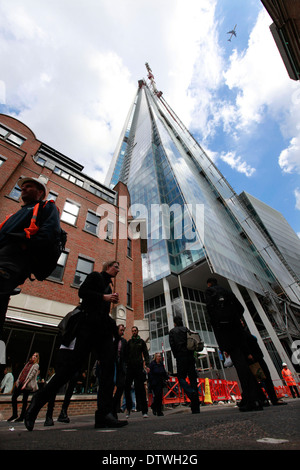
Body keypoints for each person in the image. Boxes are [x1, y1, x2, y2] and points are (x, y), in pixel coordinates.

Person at [24, 261, 128, 431]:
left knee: (108, 369)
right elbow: (83, 293)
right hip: (87, 331)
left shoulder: (109, 286)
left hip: (101, 333)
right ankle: (36, 403)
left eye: (118, 267)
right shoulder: (95, 276)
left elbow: (103, 313)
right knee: (68, 371)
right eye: (116, 266)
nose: (118, 269)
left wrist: (114, 330)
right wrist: (103, 297)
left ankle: (104, 415)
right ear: (108, 267)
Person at [0, 176, 61, 338]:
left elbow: (50, 233)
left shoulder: (46, 207)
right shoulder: (15, 214)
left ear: (40, 192)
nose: (23, 189)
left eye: (28, 186)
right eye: (22, 187)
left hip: (12, 263)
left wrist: (24, 243)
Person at [205, 278, 263, 412]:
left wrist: (222, 340)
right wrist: (235, 320)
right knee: (246, 365)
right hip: (238, 331)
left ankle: (251, 399)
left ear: (209, 284)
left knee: (240, 365)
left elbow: (211, 313)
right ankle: (256, 398)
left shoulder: (210, 291)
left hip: (227, 333)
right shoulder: (227, 291)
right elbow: (240, 308)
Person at [169, 316, 200, 414]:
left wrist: (176, 355)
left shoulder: (172, 331)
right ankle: (196, 408)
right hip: (190, 356)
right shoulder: (186, 329)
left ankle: (191, 392)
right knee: (193, 378)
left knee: (181, 378)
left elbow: (172, 345)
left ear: (175, 323)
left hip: (180, 357)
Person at [124, 326, 150, 418]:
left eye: (135, 331)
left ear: (137, 331)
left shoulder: (141, 342)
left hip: (138, 367)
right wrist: (126, 365)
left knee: (141, 389)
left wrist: (147, 364)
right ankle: (128, 409)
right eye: (132, 331)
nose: (134, 332)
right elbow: (126, 354)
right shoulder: (129, 342)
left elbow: (146, 353)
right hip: (130, 367)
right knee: (127, 388)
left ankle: (144, 410)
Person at [7, 352, 39, 422]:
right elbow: (22, 372)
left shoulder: (36, 365)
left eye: (36, 356)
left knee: (24, 400)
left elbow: (31, 375)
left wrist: (25, 384)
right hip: (21, 382)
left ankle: (22, 416)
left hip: (27, 384)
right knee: (14, 397)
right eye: (33, 355)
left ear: (37, 358)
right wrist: (18, 381)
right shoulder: (28, 363)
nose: (34, 357)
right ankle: (15, 414)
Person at [112, 324, 128, 417]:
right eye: (121, 330)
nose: (122, 332)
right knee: (112, 382)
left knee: (121, 385)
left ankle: (115, 405)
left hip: (121, 365)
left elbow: (126, 354)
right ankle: (113, 408)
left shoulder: (123, 341)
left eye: (123, 330)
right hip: (113, 363)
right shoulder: (112, 339)